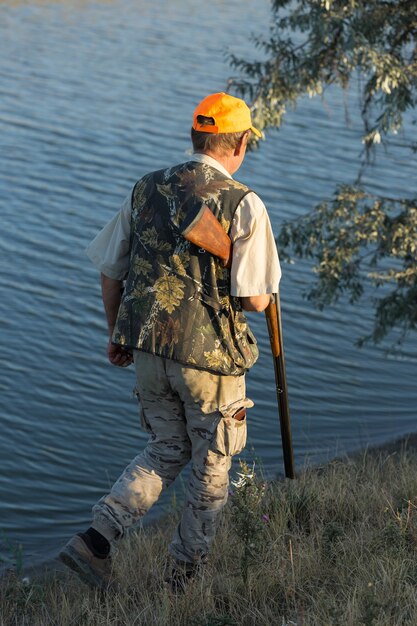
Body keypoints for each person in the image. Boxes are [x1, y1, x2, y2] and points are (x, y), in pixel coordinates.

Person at [59, 92, 281, 592]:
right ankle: (183, 579)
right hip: (210, 364)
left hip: (148, 351)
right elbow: (254, 301)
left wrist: (118, 332)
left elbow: (110, 270)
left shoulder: (145, 189)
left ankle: (96, 539)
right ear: (242, 143)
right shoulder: (245, 203)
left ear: (194, 138)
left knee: (166, 446)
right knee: (211, 464)